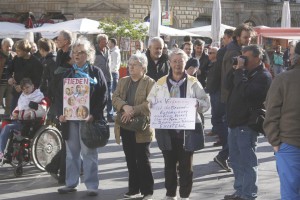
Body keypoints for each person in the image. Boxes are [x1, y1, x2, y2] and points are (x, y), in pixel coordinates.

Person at [147, 49, 210, 200]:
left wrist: (197, 103)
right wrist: (153, 106)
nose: (177, 64)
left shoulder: (194, 83)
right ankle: (170, 195)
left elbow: (205, 103)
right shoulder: (161, 82)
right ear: (169, 63)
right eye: (174, 61)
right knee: (169, 165)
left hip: (187, 132)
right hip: (166, 132)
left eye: (180, 62)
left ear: (185, 63)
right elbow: (150, 101)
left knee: (186, 167)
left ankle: (184, 196)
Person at [57, 36, 107, 196]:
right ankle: (71, 183)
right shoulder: (68, 73)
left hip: (88, 120)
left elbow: (103, 96)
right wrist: (60, 114)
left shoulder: (95, 72)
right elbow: (59, 96)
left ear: (89, 54)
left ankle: (92, 185)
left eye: (81, 52)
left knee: (89, 153)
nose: (77, 55)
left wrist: (94, 114)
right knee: (71, 154)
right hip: (70, 120)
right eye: (75, 52)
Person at [224, 45, 272, 200]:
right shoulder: (243, 72)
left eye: (247, 57)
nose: (242, 60)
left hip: (246, 124)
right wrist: (234, 69)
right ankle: (240, 191)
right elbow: (226, 86)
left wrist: (239, 71)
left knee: (247, 162)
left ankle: (248, 194)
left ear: (258, 58)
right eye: (242, 56)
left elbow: (248, 94)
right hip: (234, 123)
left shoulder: (263, 76)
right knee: (235, 161)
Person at [112, 53, 155, 200]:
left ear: (143, 67)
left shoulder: (150, 83)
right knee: (130, 158)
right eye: (129, 64)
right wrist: (124, 106)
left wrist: (133, 110)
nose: (130, 67)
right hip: (125, 126)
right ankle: (133, 188)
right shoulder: (123, 81)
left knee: (143, 159)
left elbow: (151, 103)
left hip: (142, 128)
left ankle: (147, 190)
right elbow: (115, 97)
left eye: (134, 64)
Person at [263, 41, 300, 200]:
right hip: (288, 144)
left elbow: (271, 114)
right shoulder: (284, 79)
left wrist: (275, 142)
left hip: (289, 144)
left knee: (290, 194)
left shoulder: (283, 78)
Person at [0, 78, 46, 159]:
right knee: (2, 124)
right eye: (23, 88)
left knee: (7, 127)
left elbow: (42, 110)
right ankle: (8, 151)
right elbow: (19, 107)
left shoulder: (39, 96)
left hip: (30, 124)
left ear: (32, 86)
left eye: (27, 87)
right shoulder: (23, 96)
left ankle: (1, 152)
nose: (25, 90)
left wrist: (29, 114)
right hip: (20, 121)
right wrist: (15, 113)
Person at [209, 29, 233, 172]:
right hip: (220, 92)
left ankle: (225, 152)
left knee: (221, 121)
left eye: (224, 38)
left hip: (220, 92)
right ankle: (225, 152)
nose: (223, 40)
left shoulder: (227, 51)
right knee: (221, 121)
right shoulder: (226, 51)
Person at [221, 23, 255, 104]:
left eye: (250, 37)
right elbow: (231, 77)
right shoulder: (234, 53)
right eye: (245, 37)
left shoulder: (238, 50)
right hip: (232, 96)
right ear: (237, 37)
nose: (249, 40)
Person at [7, 39, 43, 113]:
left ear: (25, 50)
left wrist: (23, 87)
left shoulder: (36, 62)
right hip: (16, 93)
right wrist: (9, 78)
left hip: (30, 96)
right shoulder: (16, 58)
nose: (16, 52)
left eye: (19, 50)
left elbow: (37, 81)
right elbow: (9, 70)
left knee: (25, 117)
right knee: (13, 114)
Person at [94, 34, 114, 122]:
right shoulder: (94, 50)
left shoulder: (108, 50)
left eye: (106, 40)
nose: (106, 42)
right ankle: (99, 115)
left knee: (109, 97)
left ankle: (110, 115)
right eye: (104, 40)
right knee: (99, 97)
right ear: (99, 41)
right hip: (98, 78)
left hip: (108, 77)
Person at [0, 38, 16, 115]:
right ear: (2, 46)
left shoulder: (14, 55)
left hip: (10, 83)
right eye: (7, 46)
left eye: (10, 46)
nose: (9, 48)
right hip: (1, 83)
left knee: (9, 103)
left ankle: (7, 119)